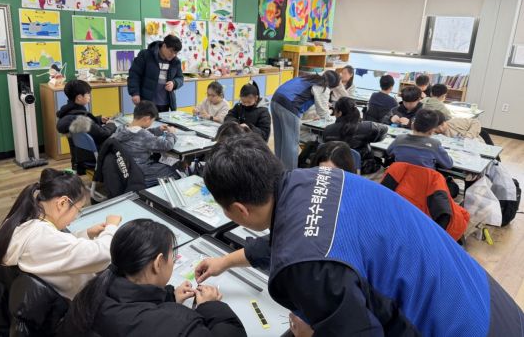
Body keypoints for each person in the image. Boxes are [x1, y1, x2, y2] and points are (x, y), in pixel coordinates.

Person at [194, 133, 524, 336]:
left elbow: (357, 329)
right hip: (483, 297)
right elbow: (304, 239)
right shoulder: (316, 180)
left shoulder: (305, 263)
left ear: (238, 210)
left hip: (460, 328)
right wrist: (225, 261)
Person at [62, 219, 246, 337]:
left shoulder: (90, 292)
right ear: (158, 263)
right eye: (172, 256)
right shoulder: (177, 323)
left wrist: (169, 297)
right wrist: (211, 306)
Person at [0, 168, 121, 300]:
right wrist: (111, 227)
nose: (75, 217)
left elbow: (57, 248)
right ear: (62, 203)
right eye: (78, 210)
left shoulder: (25, 222)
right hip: (76, 304)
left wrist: (86, 233)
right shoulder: (43, 238)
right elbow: (101, 255)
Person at [271, 71, 340, 170]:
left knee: (280, 141)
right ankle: (291, 174)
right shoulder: (322, 86)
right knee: (291, 144)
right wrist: (333, 117)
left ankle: (278, 170)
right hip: (289, 105)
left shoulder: (309, 78)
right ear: (332, 85)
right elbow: (322, 112)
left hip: (275, 101)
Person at [56, 79, 117, 174]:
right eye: (88, 94)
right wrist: (111, 124)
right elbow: (103, 134)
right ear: (79, 97)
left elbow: (88, 125)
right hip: (93, 155)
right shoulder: (81, 118)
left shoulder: (68, 113)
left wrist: (98, 119)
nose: (89, 96)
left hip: (81, 155)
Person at [113, 100, 178, 187]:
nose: (152, 123)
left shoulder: (121, 128)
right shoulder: (144, 136)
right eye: (152, 120)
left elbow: (139, 134)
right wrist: (172, 133)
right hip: (141, 172)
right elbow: (167, 145)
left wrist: (157, 130)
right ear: (147, 119)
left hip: (124, 169)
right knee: (174, 169)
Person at [323, 97, 387, 174]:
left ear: (339, 113)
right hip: (364, 169)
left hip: (337, 169)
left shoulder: (327, 130)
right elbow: (384, 129)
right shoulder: (368, 127)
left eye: (335, 110)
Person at [128, 34, 184, 112]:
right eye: (171, 51)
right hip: (147, 102)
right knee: (146, 120)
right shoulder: (145, 55)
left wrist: (174, 83)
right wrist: (135, 93)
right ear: (164, 46)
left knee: (163, 120)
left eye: (176, 53)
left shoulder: (176, 62)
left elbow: (180, 78)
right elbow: (134, 74)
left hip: (165, 103)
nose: (173, 55)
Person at [387, 109, 453, 170]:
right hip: (423, 179)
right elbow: (448, 164)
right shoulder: (435, 145)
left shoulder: (399, 139)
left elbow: (389, 152)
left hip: (399, 177)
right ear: (432, 130)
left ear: (412, 125)